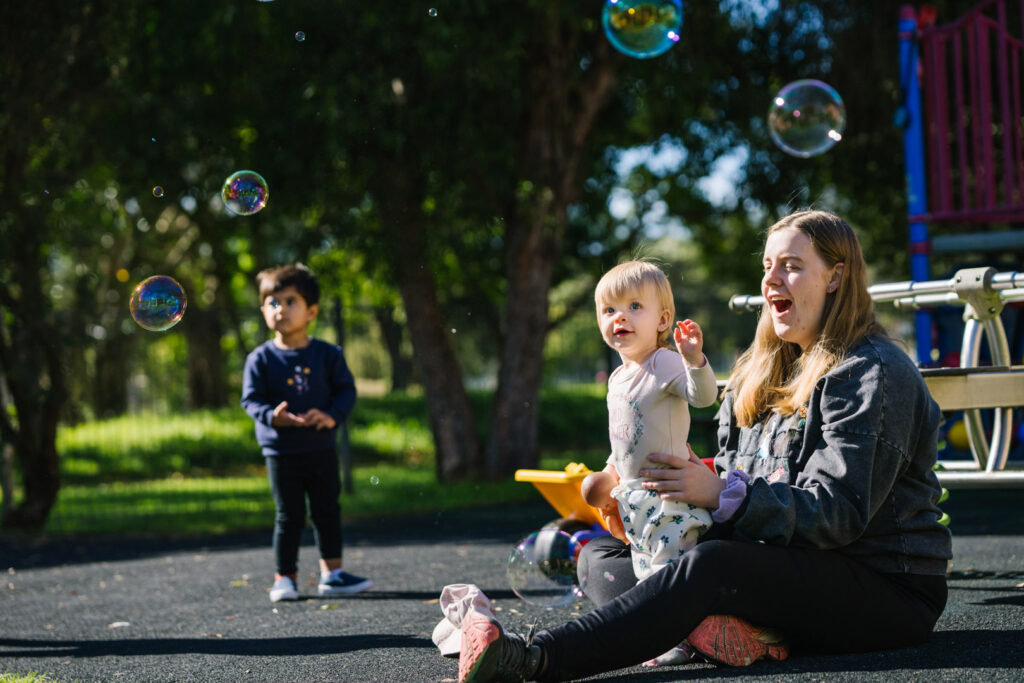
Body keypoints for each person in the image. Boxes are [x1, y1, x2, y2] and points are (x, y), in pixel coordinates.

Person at [455, 210, 952, 682]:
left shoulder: (872, 371)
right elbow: (736, 470)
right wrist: (669, 489)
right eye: (767, 267)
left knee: (708, 567)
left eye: (792, 267)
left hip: (882, 588)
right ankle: (721, 630)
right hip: (773, 561)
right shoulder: (759, 369)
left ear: (836, 278)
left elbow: (838, 513)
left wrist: (716, 493)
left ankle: (532, 656)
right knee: (601, 555)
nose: (771, 280)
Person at [241, 264, 372, 603]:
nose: (279, 309)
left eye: (289, 301)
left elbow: (346, 391)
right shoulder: (260, 359)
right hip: (281, 452)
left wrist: (331, 416)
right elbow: (250, 400)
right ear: (262, 310)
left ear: (311, 311)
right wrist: (272, 416)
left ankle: (334, 574)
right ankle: (285, 577)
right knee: (289, 515)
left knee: (328, 509)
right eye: (271, 302)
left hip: (320, 447)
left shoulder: (329, 355)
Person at [580, 261, 718, 583]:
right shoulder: (617, 379)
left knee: (666, 576)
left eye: (634, 306)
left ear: (663, 320)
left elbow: (703, 397)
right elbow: (624, 438)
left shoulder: (664, 362)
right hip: (635, 499)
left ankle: (673, 628)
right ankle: (665, 626)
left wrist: (694, 361)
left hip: (669, 498)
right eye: (609, 309)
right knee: (645, 566)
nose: (620, 316)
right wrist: (609, 472)